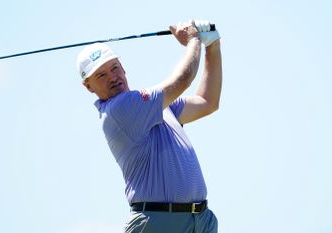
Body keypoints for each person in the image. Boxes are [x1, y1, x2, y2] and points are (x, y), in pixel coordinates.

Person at [76, 20, 222, 233]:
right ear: (88, 86)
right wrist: (193, 40)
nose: (113, 78)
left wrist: (213, 45)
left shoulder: (156, 106)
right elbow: (183, 79)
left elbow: (207, 102)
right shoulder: (119, 109)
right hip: (157, 222)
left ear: (123, 66)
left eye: (114, 68)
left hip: (200, 220)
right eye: (101, 75)